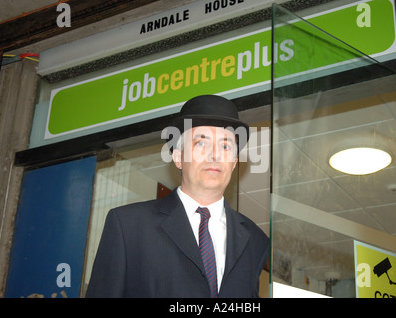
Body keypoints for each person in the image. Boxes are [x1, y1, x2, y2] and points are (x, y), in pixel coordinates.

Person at [86, 95, 269, 298]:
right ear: (178, 157)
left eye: (225, 146)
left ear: (234, 163)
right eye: (201, 144)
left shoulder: (256, 241)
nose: (214, 155)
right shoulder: (128, 226)